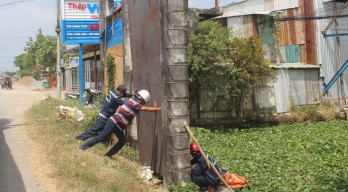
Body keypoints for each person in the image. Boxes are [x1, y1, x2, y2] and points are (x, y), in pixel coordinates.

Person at [79, 90, 161, 158]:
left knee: (122, 141)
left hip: (117, 125)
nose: (144, 103)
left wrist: (154, 107)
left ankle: (108, 155)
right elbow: (147, 109)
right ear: (141, 100)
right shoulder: (135, 104)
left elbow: (146, 107)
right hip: (114, 122)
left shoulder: (133, 101)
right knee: (101, 137)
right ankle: (83, 147)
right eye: (144, 102)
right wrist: (160, 108)